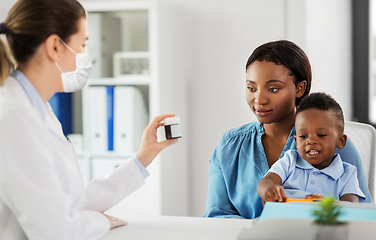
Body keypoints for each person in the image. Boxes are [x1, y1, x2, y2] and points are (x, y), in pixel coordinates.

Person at [0, 0, 177, 239]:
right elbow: (57, 230)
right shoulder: (13, 116)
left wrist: (142, 157)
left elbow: (72, 202)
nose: (84, 56)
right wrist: (99, 221)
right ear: (55, 47)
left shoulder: (38, 109)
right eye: (82, 45)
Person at [203, 40, 372, 220]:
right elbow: (216, 216)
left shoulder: (334, 146)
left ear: (300, 88)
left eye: (273, 89)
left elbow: (360, 216)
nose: (259, 99)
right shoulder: (229, 147)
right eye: (251, 88)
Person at [257, 92, 365, 204]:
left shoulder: (347, 174)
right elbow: (265, 182)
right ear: (296, 141)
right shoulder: (289, 161)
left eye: (321, 135)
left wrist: (322, 203)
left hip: (324, 221)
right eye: (303, 136)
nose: (310, 141)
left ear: (340, 141)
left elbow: (352, 208)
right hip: (285, 220)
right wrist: (268, 189)